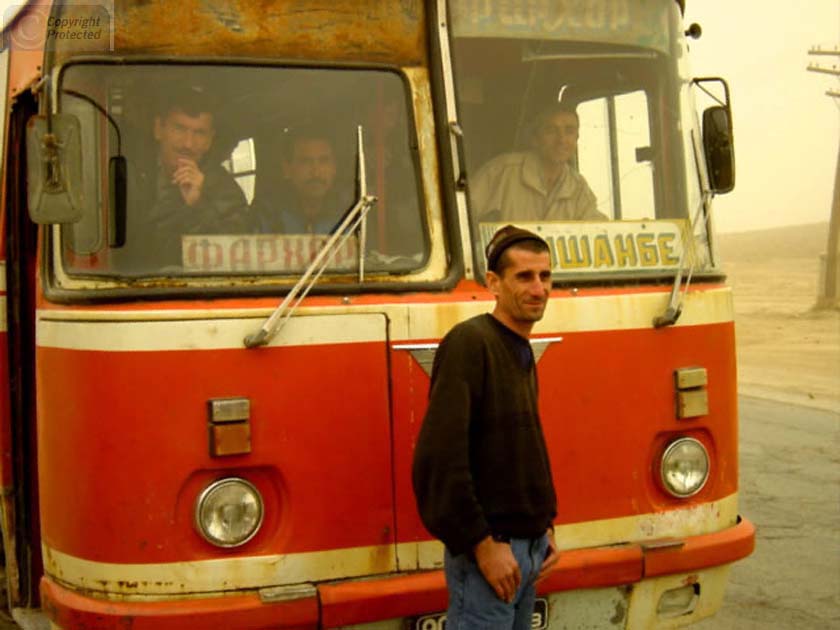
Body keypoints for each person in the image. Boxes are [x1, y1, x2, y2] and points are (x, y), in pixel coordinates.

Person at [412, 225, 560, 629]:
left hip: (526, 552)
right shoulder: (470, 343)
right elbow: (440, 459)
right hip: (491, 555)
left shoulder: (521, 349)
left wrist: (543, 527)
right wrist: (480, 544)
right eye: (524, 277)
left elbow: (521, 450)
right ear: (493, 283)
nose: (538, 288)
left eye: (545, 276)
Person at [119, 87, 248, 272]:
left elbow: (234, 255)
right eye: (179, 129)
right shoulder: (125, 171)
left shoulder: (226, 189)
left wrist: (198, 205)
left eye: (199, 133)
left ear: (209, 141)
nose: (188, 143)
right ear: (159, 129)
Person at [470, 104, 607, 222]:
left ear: (577, 138)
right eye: (551, 131)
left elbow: (597, 232)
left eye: (569, 131)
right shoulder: (501, 171)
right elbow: (461, 216)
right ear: (535, 139)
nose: (562, 140)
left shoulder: (578, 187)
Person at [253, 126, 349, 235]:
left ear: (334, 168)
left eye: (324, 161)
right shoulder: (268, 215)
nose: (316, 173)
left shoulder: (351, 213)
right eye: (305, 162)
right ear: (287, 169)